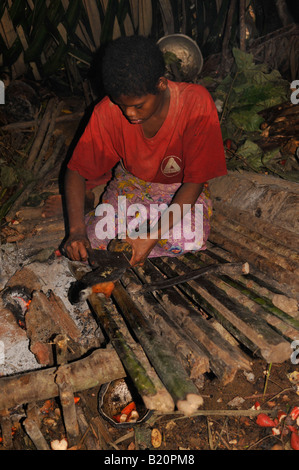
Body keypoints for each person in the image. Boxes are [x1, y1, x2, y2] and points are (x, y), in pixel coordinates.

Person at [63, 35, 227, 267]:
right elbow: (76, 171)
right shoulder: (107, 112)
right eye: (122, 105)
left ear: (160, 84)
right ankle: (124, 235)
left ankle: (136, 243)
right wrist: (76, 231)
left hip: (180, 191)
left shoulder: (195, 103)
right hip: (132, 186)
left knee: (186, 239)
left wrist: (154, 233)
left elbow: (195, 181)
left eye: (138, 105)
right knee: (94, 240)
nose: (129, 114)